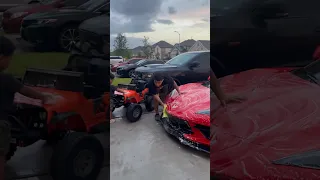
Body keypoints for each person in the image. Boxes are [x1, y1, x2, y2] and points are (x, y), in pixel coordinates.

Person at [0, 36, 56, 179]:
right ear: (2, 57)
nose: (10, 62)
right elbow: (26, 91)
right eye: (10, 58)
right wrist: (44, 97)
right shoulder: (7, 79)